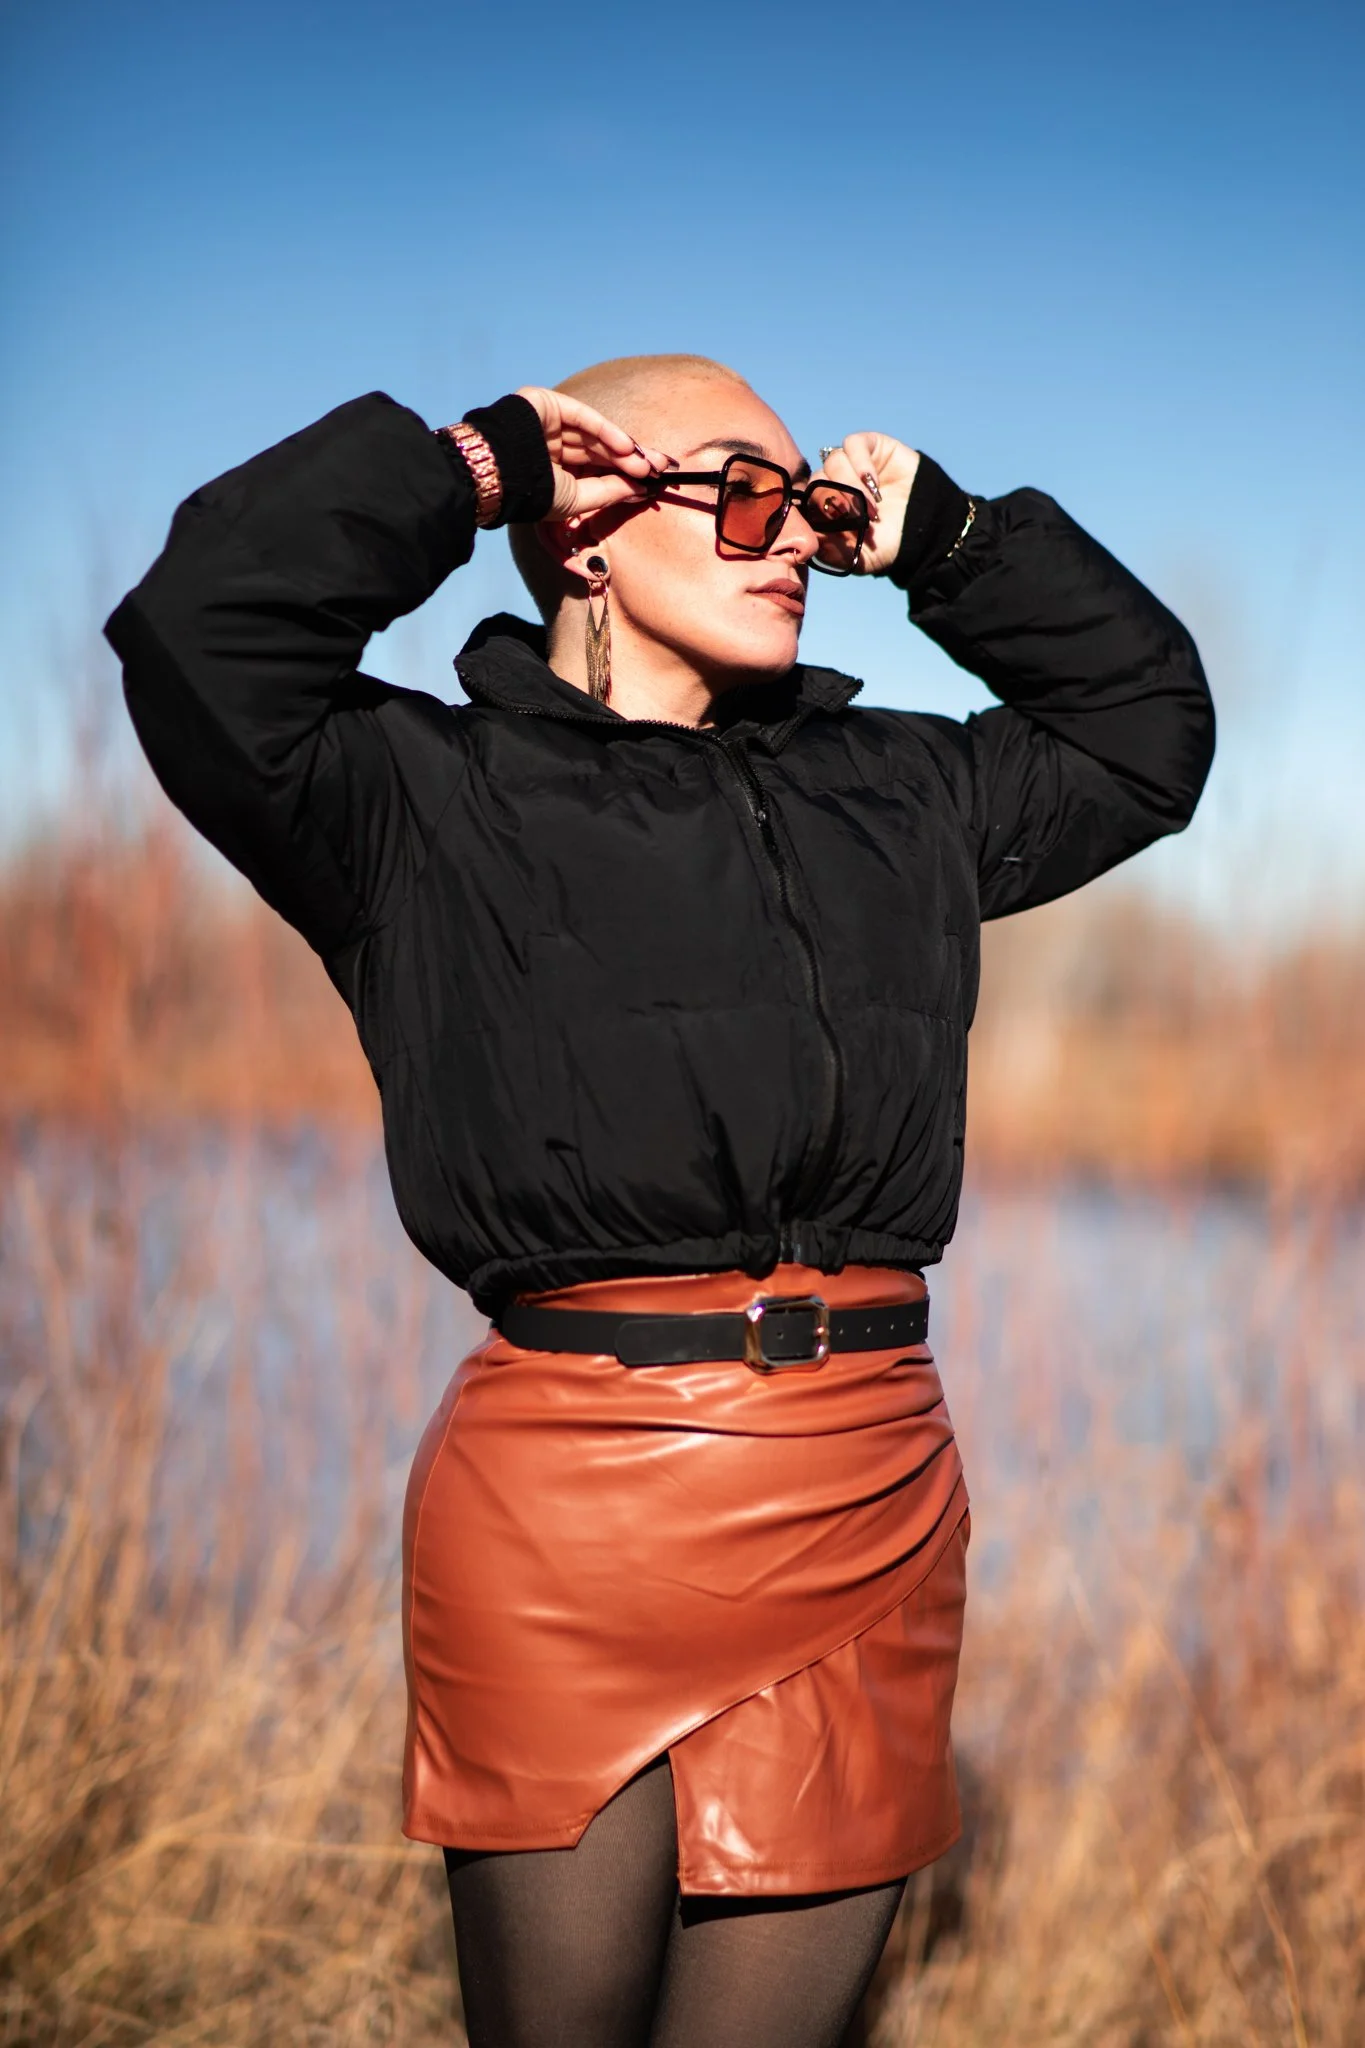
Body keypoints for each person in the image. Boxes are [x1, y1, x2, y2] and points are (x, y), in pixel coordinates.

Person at [106, 353, 1214, 2048]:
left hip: (866, 1491)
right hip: (569, 1513)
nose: (798, 540)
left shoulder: (904, 791)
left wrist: (952, 541)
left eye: (814, 507)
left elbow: (1148, 736)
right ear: (593, 536)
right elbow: (199, 634)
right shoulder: (418, 797)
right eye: (748, 499)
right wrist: (471, 465)